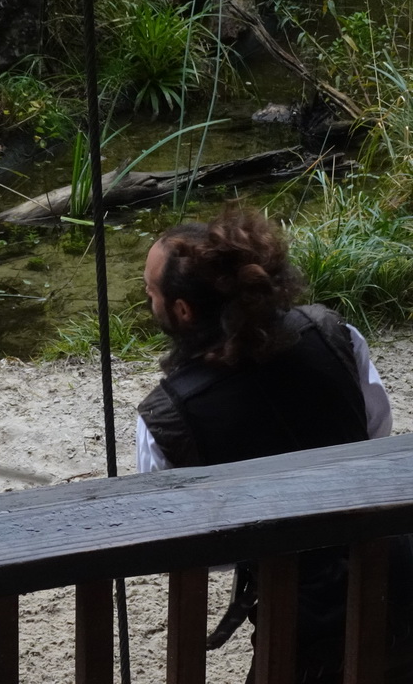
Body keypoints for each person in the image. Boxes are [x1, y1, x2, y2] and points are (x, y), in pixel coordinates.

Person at [135, 206, 413, 683]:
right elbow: (375, 435)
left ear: (182, 311)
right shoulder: (336, 335)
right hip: (403, 576)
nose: (148, 302)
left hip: (308, 629)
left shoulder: (169, 418)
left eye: (151, 294)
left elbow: (205, 552)